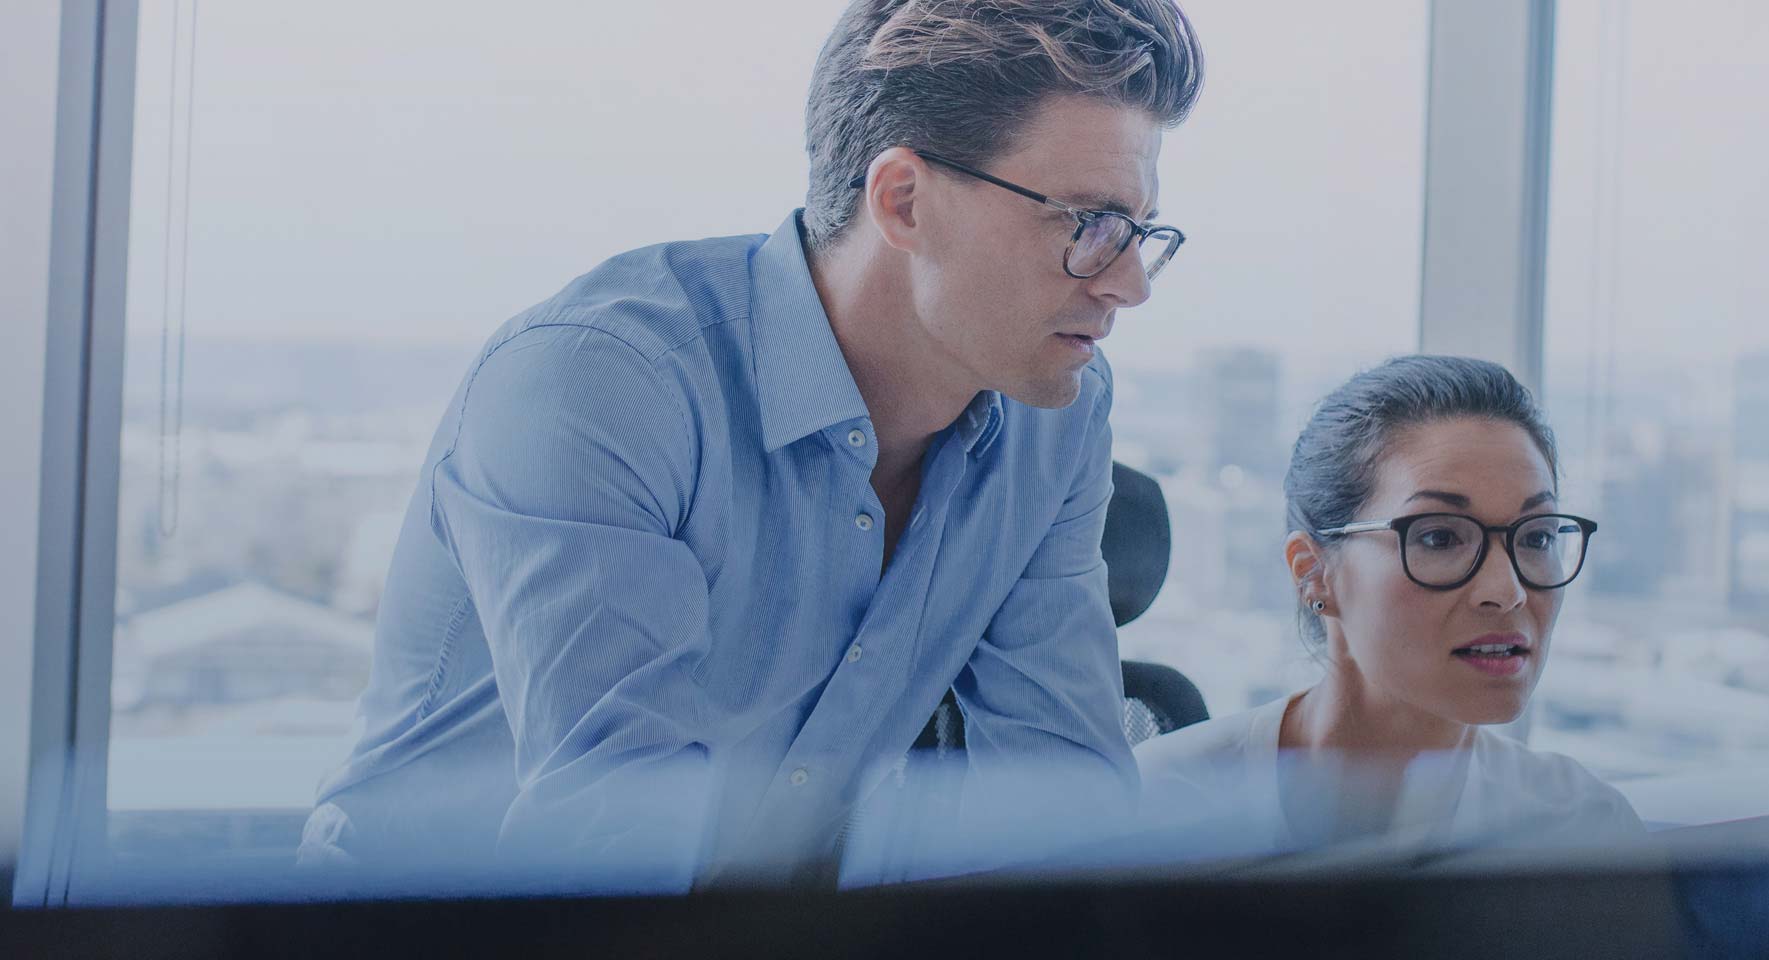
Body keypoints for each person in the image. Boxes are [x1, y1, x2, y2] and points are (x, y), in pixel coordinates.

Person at [301, 0, 1205, 890]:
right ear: (904, 202)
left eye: (1139, 232)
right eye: (1087, 224)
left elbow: (1061, 812)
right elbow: (615, 850)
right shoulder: (605, 383)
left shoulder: (1056, 412)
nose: (1129, 285)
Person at [1136, 355, 1642, 859]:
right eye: (1440, 537)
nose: (1507, 591)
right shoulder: (1156, 806)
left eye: (1537, 537)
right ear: (1314, 572)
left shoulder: (1582, 829)